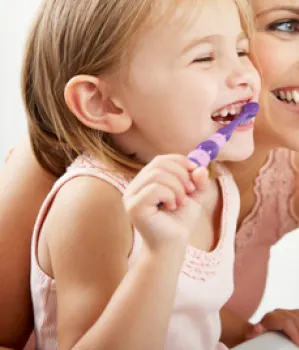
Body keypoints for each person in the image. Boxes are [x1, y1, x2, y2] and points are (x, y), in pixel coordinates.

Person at [0, 0, 299, 349]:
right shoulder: (88, 192)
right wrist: (159, 257)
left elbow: (190, 306)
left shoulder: (218, 183)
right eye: (285, 25)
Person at [10, 0, 261, 348]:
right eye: (204, 58)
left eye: (241, 50)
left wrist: (251, 331)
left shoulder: (217, 183)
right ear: (104, 103)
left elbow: (184, 310)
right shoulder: (95, 200)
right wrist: (161, 255)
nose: (245, 75)